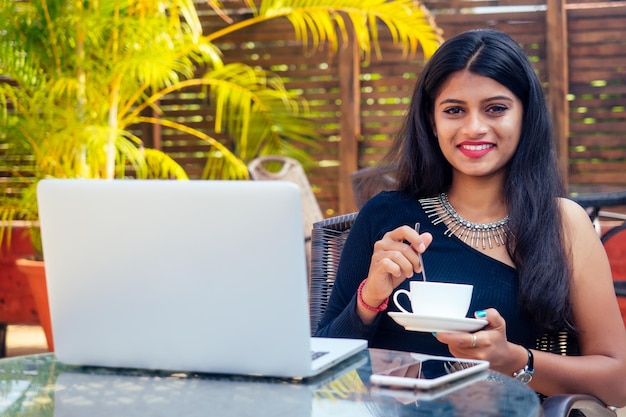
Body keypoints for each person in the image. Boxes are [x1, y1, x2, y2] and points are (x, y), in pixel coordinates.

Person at [314, 29, 626, 406]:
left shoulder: (562, 224)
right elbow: (323, 362)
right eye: (454, 110)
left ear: (525, 115)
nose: (474, 127)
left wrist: (514, 360)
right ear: (431, 121)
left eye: (495, 108)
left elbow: (617, 380)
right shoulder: (386, 215)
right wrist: (370, 298)